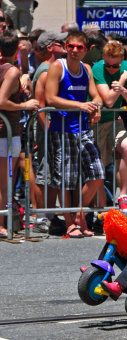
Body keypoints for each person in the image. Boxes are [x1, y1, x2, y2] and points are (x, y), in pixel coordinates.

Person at [45, 30, 104, 238]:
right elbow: (50, 98)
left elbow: (96, 95)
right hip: (61, 130)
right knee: (65, 180)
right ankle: (70, 223)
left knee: (97, 173)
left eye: (79, 47)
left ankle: (79, 214)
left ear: (86, 50)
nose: (74, 51)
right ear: (65, 46)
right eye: (71, 46)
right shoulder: (57, 67)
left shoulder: (86, 68)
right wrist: (80, 105)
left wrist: (96, 107)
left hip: (83, 130)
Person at [0, 30, 39, 238]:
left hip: (8, 132)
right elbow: (1, 100)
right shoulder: (11, 71)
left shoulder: (12, 71)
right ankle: (1, 224)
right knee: (4, 182)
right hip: (7, 132)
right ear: (16, 50)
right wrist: (25, 104)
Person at [92, 40, 127, 215]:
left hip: (114, 121)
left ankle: (124, 196)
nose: (111, 69)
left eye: (115, 66)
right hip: (96, 123)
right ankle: (100, 213)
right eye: (108, 65)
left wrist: (122, 88)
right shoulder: (98, 68)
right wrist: (122, 80)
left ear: (122, 59)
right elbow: (109, 101)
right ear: (103, 58)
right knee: (99, 168)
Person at [32, 30, 67, 233]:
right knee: (45, 174)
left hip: (54, 130)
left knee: (53, 173)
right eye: (60, 43)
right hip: (47, 131)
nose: (65, 46)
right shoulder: (46, 70)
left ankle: (50, 216)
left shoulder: (52, 67)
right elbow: (40, 106)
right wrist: (48, 130)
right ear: (49, 47)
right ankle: (42, 218)